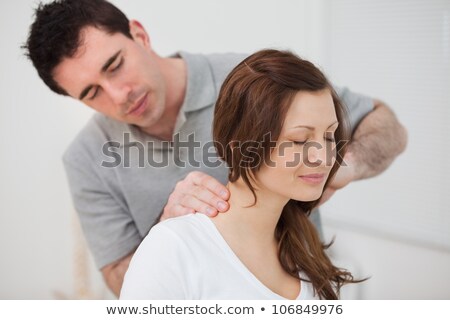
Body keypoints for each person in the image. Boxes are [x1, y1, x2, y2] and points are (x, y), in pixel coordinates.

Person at [23, 0, 407, 297]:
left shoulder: (251, 81)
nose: (119, 95)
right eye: (92, 92)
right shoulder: (87, 159)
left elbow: (386, 126)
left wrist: (336, 167)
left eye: (115, 65)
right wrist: (168, 230)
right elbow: (124, 282)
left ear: (139, 35)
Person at [121, 49, 362, 299]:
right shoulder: (173, 249)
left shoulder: (304, 246)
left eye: (328, 136)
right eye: (300, 140)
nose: (322, 156)